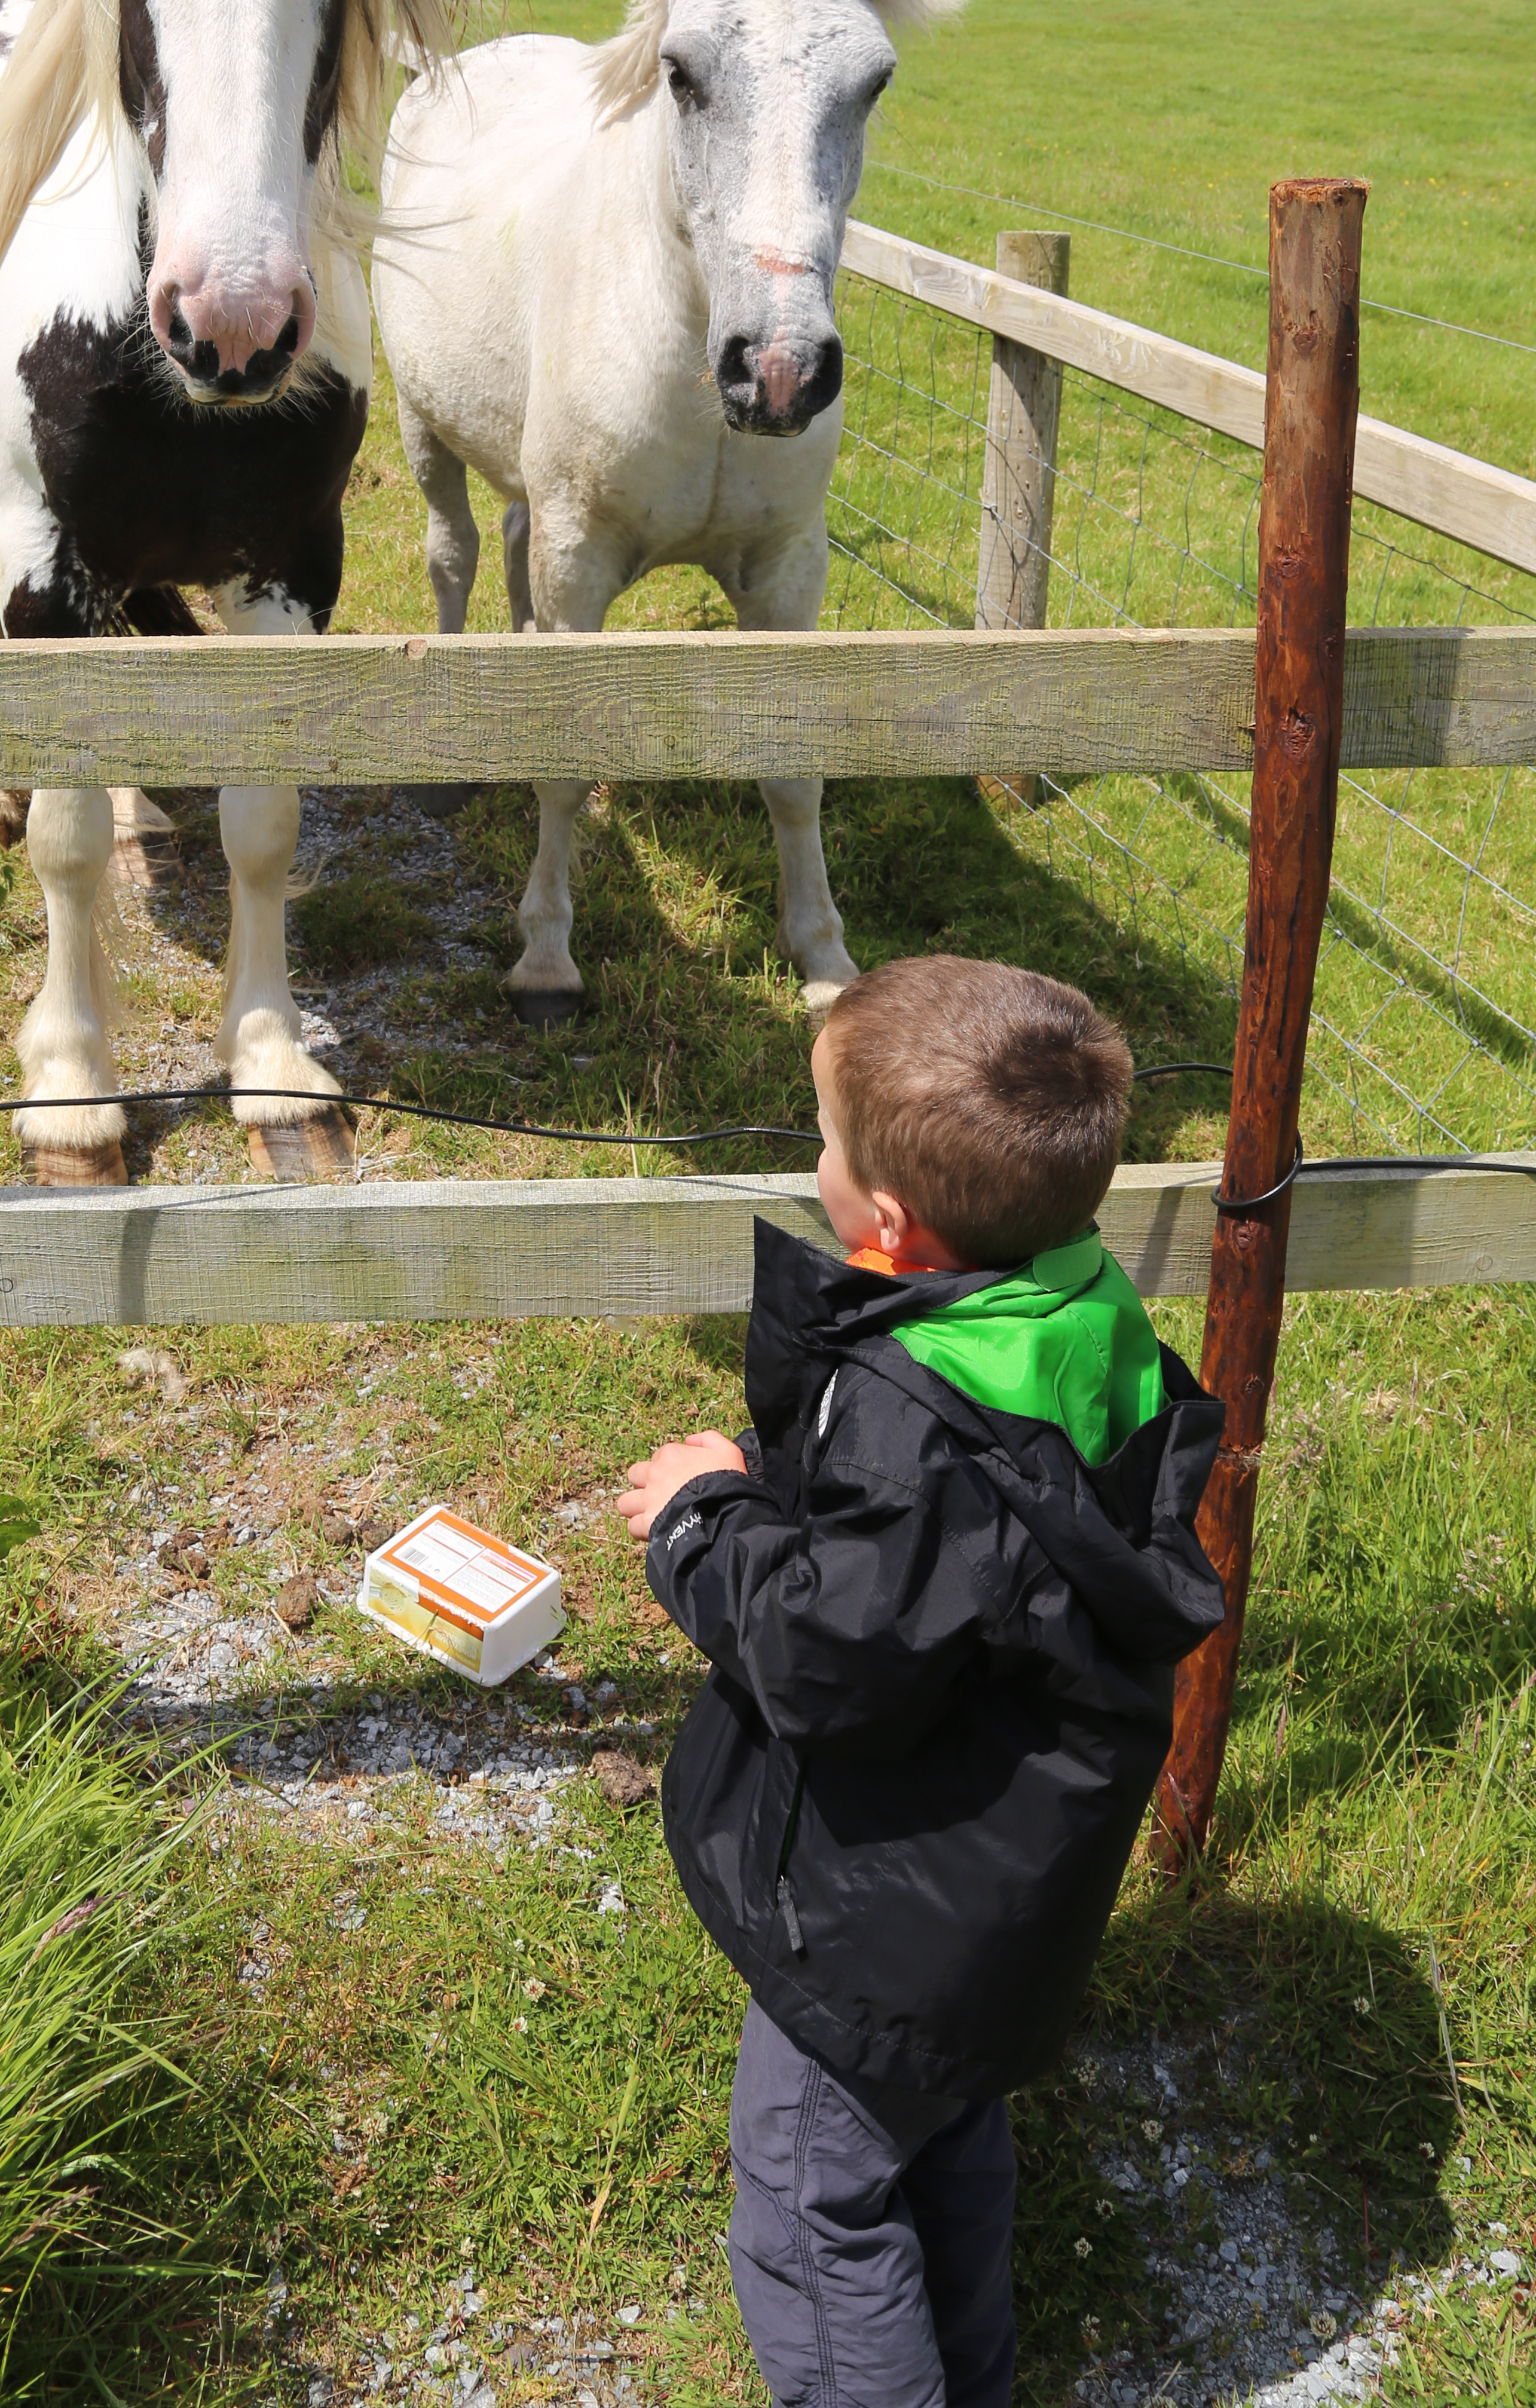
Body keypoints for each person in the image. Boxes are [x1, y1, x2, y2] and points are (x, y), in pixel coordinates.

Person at [617, 956, 1225, 2408]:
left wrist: (706, 1515)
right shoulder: (1085, 1317)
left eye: (821, 1143)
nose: (812, 1162)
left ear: (888, 1221)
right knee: (944, 2134)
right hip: (1005, 1897)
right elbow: (960, 1578)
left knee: (815, 2192)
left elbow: (832, 1662)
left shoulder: (920, 1428)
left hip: (888, 1920)